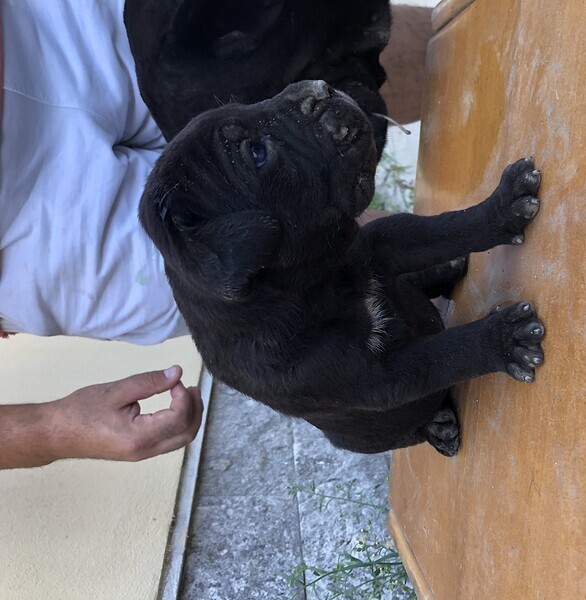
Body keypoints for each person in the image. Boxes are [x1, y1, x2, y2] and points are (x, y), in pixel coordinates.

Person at [0, 2, 433, 469]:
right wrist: (48, 429)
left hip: (43, 24)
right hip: (27, 247)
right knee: (322, 278)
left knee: (332, 53)